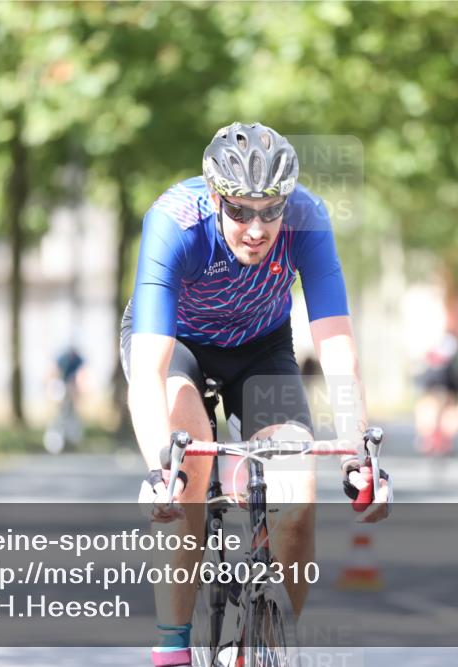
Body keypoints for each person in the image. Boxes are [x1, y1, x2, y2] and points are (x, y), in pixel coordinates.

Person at [121, 122, 391, 667]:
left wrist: (359, 458)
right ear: (214, 195)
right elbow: (148, 369)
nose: (256, 228)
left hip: (260, 348)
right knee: (187, 465)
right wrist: (158, 471)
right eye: (240, 211)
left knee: (299, 496)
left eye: (270, 211)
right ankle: (173, 645)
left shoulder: (308, 219)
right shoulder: (174, 221)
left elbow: (338, 352)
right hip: (179, 346)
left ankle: (268, 644)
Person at [413, 332, 458, 455]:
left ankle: (443, 440)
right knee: (428, 410)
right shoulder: (428, 363)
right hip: (432, 392)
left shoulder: (452, 362)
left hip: (448, 392)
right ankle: (430, 439)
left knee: (450, 413)